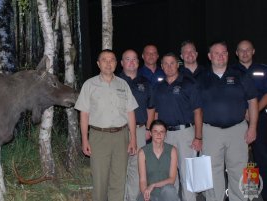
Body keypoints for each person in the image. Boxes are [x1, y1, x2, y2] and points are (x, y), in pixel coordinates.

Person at [197, 41, 258, 201]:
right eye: (216, 53)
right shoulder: (201, 78)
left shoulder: (240, 74)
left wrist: (252, 127)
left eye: (223, 53)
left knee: (239, 170)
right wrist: (198, 134)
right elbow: (197, 109)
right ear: (209, 56)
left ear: (228, 55)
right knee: (211, 170)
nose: (220, 56)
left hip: (238, 130)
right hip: (210, 131)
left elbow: (253, 101)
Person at [74, 49, 138, 201]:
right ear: (98, 63)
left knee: (119, 178)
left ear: (116, 63)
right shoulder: (89, 85)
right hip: (98, 136)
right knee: (100, 179)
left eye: (112, 60)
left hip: (121, 136)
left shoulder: (123, 85)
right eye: (104, 60)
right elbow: (84, 114)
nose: (108, 63)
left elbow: (130, 113)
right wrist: (84, 139)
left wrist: (133, 138)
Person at [153, 53, 203, 201]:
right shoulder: (159, 87)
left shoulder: (189, 84)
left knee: (187, 173)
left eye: (172, 63)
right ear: (161, 66)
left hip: (185, 133)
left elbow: (198, 112)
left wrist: (198, 137)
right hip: (165, 135)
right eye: (165, 64)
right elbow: (156, 112)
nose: (169, 67)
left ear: (178, 65)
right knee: (168, 174)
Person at [231, 40, 267, 200]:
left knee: (262, 156)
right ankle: (250, 194)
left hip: (261, 120)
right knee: (242, 158)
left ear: (253, 51)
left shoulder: (263, 70)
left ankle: (264, 194)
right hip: (238, 120)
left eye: (248, 50)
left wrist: (254, 111)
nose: (244, 53)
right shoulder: (230, 71)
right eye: (241, 50)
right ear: (236, 53)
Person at [119, 49, 155, 201]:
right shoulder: (115, 81)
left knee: (136, 167)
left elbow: (151, 107)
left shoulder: (145, 83)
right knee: (119, 167)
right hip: (119, 131)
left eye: (134, 59)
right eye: (128, 59)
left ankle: (132, 198)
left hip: (140, 130)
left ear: (138, 63)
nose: (131, 62)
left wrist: (148, 128)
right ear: (121, 63)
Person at [137, 119, 180, 201]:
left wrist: (154, 185)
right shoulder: (142, 152)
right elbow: (142, 180)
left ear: (165, 134)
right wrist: (145, 192)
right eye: (155, 131)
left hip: (166, 193)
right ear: (150, 133)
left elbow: (172, 179)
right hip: (149, 192)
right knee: (142, 198)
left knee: (170, 190)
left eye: (162, 131)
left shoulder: (172, 150)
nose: (159, 134)